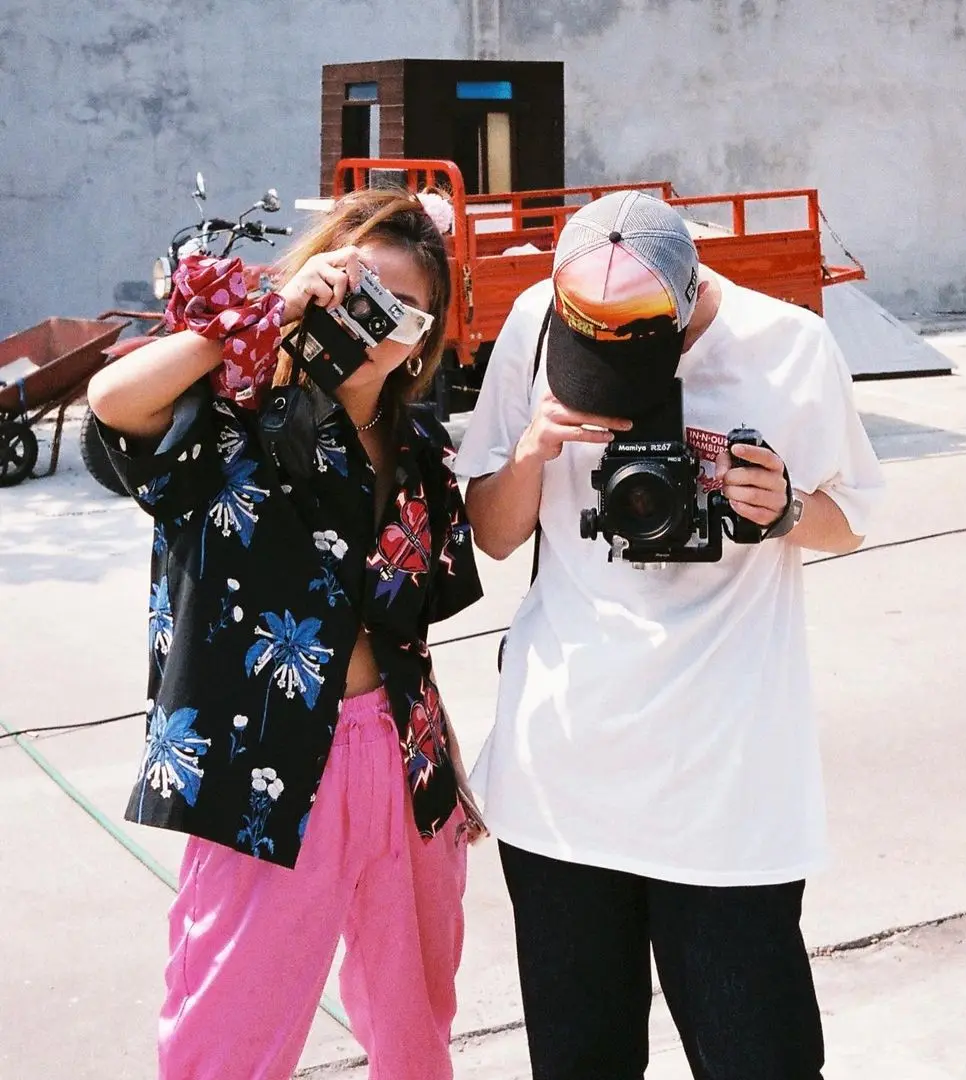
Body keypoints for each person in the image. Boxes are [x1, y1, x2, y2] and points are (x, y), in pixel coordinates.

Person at [454, 190, 885, 1080]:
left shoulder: (789, 345)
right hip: (562, 786)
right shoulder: (537, 321)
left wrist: (783, 507)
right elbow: (492, 535)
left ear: (690, 301)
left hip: (726, 796)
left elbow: (851, 520)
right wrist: (532, 451)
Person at [86, 188, 486, 1080]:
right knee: (228, 1031)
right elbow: (111, 403)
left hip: (405, 752)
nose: (372, 320)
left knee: (417, 1020)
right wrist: (265, 313)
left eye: (401, 308)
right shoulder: (232, 418)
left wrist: (448, 770)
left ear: (423, 335)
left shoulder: (421, 448)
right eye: (357, 289)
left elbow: (411, 629)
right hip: (260, 762)